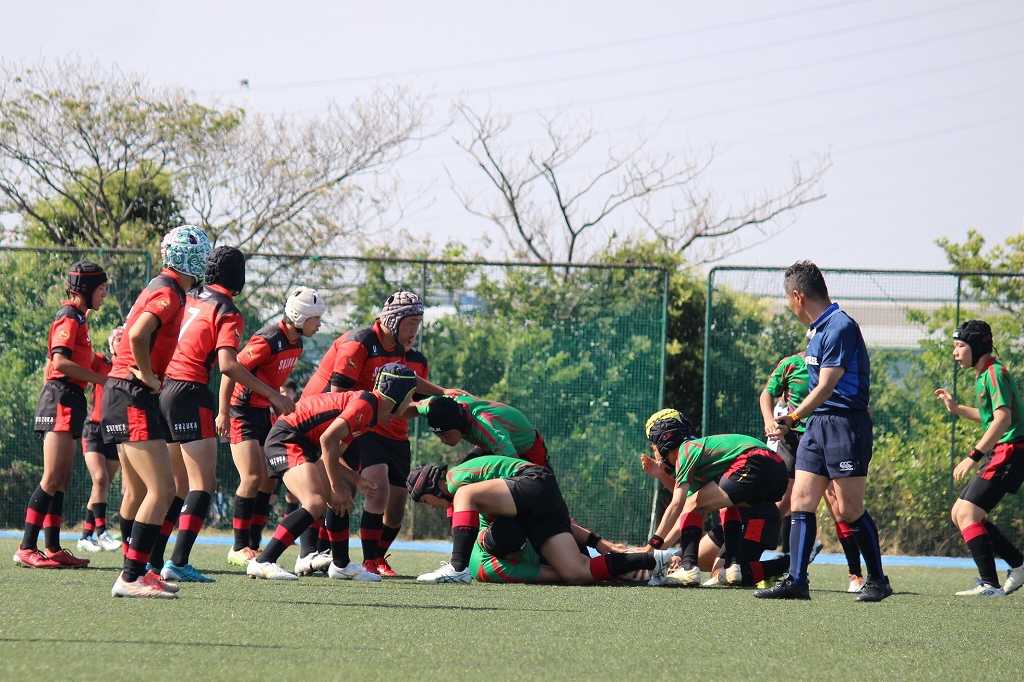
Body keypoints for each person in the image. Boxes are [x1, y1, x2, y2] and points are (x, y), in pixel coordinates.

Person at [154, 246, 296, 583]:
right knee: (202, 485)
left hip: (163, 388)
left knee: (176, 486)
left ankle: (152, 560)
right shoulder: (227, 310)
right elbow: (228, 365)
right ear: (239, 277)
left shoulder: (188, 297)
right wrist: (273, 395)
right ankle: (177, 562)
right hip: (189, 391)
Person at [755, 260, 891, 602]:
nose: (789, 306)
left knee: (848, 509)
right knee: (801, 501)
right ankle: (796, 580)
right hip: (817, 425)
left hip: (845, 425)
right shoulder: (816, 330)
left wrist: (792, 416)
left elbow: (827, 386)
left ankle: (878, 580)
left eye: (787, 299)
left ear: (798, 297)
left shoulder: (840, 326)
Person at [301, 291, 454, 577]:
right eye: (411, 323)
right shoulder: (358, 344)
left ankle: (358, 557)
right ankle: (333, 556)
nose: (415, 330)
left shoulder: (401, 351)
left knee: (388, 503)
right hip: (339, 425)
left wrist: (443, 395)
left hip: (374, 429)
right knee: (351, 489)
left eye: (418, 323)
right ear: (393, 320)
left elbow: (407, 389)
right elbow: (338, 400)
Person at [102, 224, 212, 599]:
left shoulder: (166, 287)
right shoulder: (168, 291)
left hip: (129, 392)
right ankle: (131, 576)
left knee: (154, 489)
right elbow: (137, 335)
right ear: (188, 258)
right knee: (161, 489)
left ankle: (138, 572)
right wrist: (148, 375)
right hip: (131, 392)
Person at [247, 363, 420, 581]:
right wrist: (336, 486)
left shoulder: (370, 411)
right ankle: (263, 561)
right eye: (410, 396)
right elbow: (327, 440)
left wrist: (355, 480)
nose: (409, 403)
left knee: (340, 498)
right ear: (398, 396)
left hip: (304, 442)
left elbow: (332, 454)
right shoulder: (365, 405)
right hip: (287, 438)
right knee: (315, 503)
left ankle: (341, 565)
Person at [406, 456, 664, 585]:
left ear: (433, 488)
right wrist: (599, 542)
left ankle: (457, 569)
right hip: (541, 497)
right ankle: (654, 560)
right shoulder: (489, 504)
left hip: (532, 479)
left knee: (464, 494)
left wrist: (462, 562)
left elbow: (470, 500)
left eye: (427, 501)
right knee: (576, 572)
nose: (434, 507)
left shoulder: (454, 480)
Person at [219, 287, 324, 567]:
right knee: (252, 477)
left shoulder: (296, 345)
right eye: (316, 318)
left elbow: (269, 379)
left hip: (262, 412)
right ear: (300, 317)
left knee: (269, 479)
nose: (319, 324)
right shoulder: (267, 339)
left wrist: (277, 402)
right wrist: (223, 412)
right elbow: (230, 370)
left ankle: (253, 545)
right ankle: (238, 546)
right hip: (241, 410)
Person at [15, 262, 109, 569]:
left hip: (71, 398)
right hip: (59, 397)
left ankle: (53, 548)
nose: (104, 295)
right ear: (87, 289)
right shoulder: (68, 316)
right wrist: (101, 379)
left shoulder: (80, 318)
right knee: (52, 477)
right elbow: (60, 362)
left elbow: (82, 360)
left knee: (62, 479)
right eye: (101, 289)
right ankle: (26, 547)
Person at [640, 409, 790, 588]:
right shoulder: (704, 458)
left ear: (663, 439)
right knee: (722, 573)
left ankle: (689, 568)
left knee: (694, 504)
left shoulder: (686, 450)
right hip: (776, 470)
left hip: (756, 471)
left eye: (653, 446)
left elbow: (679, 505)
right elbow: (689, 511)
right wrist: (660, 549)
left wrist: (653, 546)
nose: (654, 453)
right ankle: (733, 565)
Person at [760, 352, 864, 593]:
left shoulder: (838, 365)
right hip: (792, 440)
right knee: (782, 505)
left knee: (839, 507)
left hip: (825, 437)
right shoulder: (791, 364)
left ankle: (856, 574)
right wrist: (769, 420)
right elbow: (767, 393)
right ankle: (755, 565)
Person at [935, 320, 1024, 597]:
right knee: (960, 513)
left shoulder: (995, 373)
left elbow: (1003, 419)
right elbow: (990, 417)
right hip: (1004, 449)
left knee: (967, 513)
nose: (955, 352)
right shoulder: (985, 374)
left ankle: (990, 583)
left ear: (976, 347)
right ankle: (1018, 565)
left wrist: (973, 456)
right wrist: (956, 408)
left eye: (960, 346)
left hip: (1011, 450)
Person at [77, 325, 124, 553]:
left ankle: (86, 536)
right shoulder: (101, 362)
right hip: (94, 429)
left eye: (124, 338)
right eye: (117, 338)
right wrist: (81, 326)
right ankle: (101, 532)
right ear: (111, 345)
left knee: (102, 485)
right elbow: (83, 358)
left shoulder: (130, 368)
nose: (121, 341)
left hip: (116, 432)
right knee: (100, 478)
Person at [415, 393, 548, 467]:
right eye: (438, 435)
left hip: (528, 451)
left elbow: (516, 467)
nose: (442, 440)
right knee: (461, 473)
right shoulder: (434, 407)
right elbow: (412, 404)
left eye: (444, 435)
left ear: (457, 424)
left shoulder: (487, 428)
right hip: (491, 446)